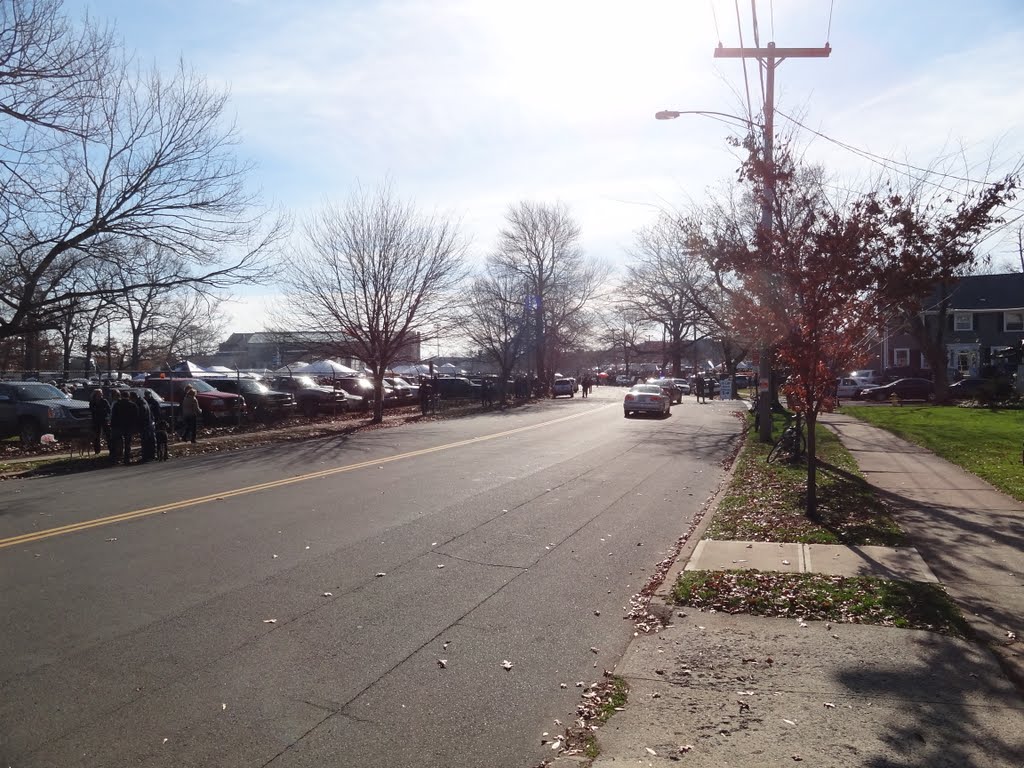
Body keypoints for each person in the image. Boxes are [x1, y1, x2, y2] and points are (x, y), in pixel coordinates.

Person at [109, 390, 138, 465]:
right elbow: (135, 417)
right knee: (127, 443)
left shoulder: (117, 404)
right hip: (128, 426)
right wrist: (134, 427)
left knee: (118, 443)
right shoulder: (133, 405)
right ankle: (126, 459)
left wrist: (112, 425)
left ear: (122, 396)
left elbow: (113, 416)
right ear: (128, 397)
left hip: (118, 426)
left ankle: (117, 458)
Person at [134, 391, 156, 463]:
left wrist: (138, 424)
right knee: (149, 440)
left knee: (146, 441)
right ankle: (151, 455)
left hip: (145, 425)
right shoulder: (143, 402)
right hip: (148, 424)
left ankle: (146, 456)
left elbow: (141, 415)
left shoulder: (141, 403)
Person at [88, 389, 111, 455]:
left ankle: (110, 448)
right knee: (96, 436)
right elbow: (91, 410)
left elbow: (108, 409)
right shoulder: (92, 402)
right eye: (99, 393)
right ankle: (97, 450)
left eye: (101, 393)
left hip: (103, 419)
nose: (101, 395)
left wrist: (104, 412)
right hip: (96, 420)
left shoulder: (104, 401)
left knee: (107, 434)